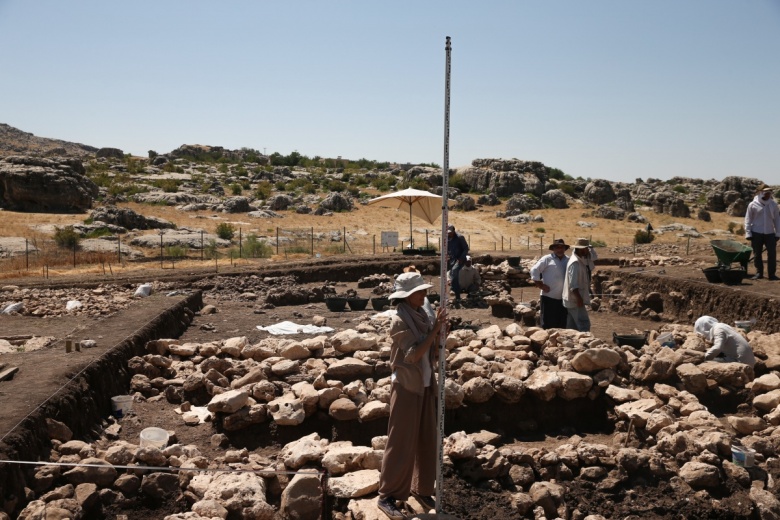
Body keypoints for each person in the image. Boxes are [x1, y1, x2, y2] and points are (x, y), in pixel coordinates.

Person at [377, 272, 446, 519]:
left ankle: (422, 487)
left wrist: (438, 330)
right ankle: (387, 496)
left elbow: (431, 348)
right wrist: (436, 328)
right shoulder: (398, 321)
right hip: (407, 386)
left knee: (427, 438)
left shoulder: (422, 315)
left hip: (426, 384)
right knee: (401, 442)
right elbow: (413, 355)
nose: (424, 295)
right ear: (406, 296)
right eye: (419, 292)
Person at [530, 238, 570, 329]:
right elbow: (534, 270)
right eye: (557, 247)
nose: (559, 249)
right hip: (549, 296)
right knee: (548, 322)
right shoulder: (547, 259)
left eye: (562, 247)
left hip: (563, 297)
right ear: (553, 249)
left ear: (564, 249)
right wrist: (540, 285)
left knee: (562, 322)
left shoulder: (568, 260)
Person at [744, 184, 780, 281]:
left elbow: (777, 219)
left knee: (772, 254)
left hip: (770, 233)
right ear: (760, 193)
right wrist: (748, 233)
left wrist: (778, 233)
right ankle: (759, 273)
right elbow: (748, 219)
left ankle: (772, 275)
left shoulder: (773, 204)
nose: (768, 195)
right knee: (757, 254)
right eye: (766, 193)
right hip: (756, 232)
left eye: (769, 193)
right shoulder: (752, 205)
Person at [562, 238, 594, 332]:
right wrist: (579, 298)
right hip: (575, 299)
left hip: (572, 299)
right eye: (587, 249)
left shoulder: (580, 261)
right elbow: (573, 284)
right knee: (584, 324)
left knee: (572, 327)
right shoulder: (575, 263)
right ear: (581, 249)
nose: (588, 251)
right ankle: (585, 343)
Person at [446, 225, 469, 303]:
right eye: (448, 233)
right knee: (455, 277)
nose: (449, 234)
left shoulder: (460, 237)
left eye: (450, 232)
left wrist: (462, 258)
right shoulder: (447, 238)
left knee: (454, 271)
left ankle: (452, 288)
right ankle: (458, 296)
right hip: (452, 259)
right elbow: (447, 248)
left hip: (460, 259)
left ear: (453, 231)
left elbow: (466, 248)